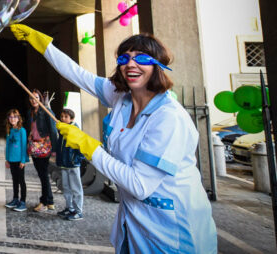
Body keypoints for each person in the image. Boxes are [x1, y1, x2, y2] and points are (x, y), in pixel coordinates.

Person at [12, 25, 217, 253]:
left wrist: (88, 145)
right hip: (134, 223)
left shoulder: (169, 118)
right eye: (124, 58)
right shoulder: (121, 97)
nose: (131, 64)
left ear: (159, 65)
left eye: (141, 58)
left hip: (173, 230)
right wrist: (44, 45)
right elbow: (78, 74)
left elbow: (139, 185)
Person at [28, 88, 56, 212]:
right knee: (42, 175)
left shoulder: (46, 111)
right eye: (31, 98)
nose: (34, 100)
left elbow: (53, 130)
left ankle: (44, 201)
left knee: (43, 174)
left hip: (44, 147)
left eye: (36, 98)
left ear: (40, 98)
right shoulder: (31, 113)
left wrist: (55, 149)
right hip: (35, 147)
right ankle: (49, 201)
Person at [55, 108, 84, 221]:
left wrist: (76, 159)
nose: (63, 118)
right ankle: (69, 208)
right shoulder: (63, 129)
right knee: (66, 187)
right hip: (64, 163)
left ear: (72, 118)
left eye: (66, 117)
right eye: (62, 116)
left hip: (72, 164)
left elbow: (81, 146)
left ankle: (78, 211)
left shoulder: (74, 129)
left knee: (76, 188)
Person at [4, 109, 28, 212]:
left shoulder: (22, 130)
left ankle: (22, 202)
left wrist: (23, 160)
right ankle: (15, 199)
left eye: (14, 117)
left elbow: (24, 146)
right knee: (14, 180)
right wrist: (7, 159)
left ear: (18, 118)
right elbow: (8, 146)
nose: (12, 119)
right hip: (12, 160)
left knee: (21, 181)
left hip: (19, 160)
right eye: (10, 117)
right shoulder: (10, 130)